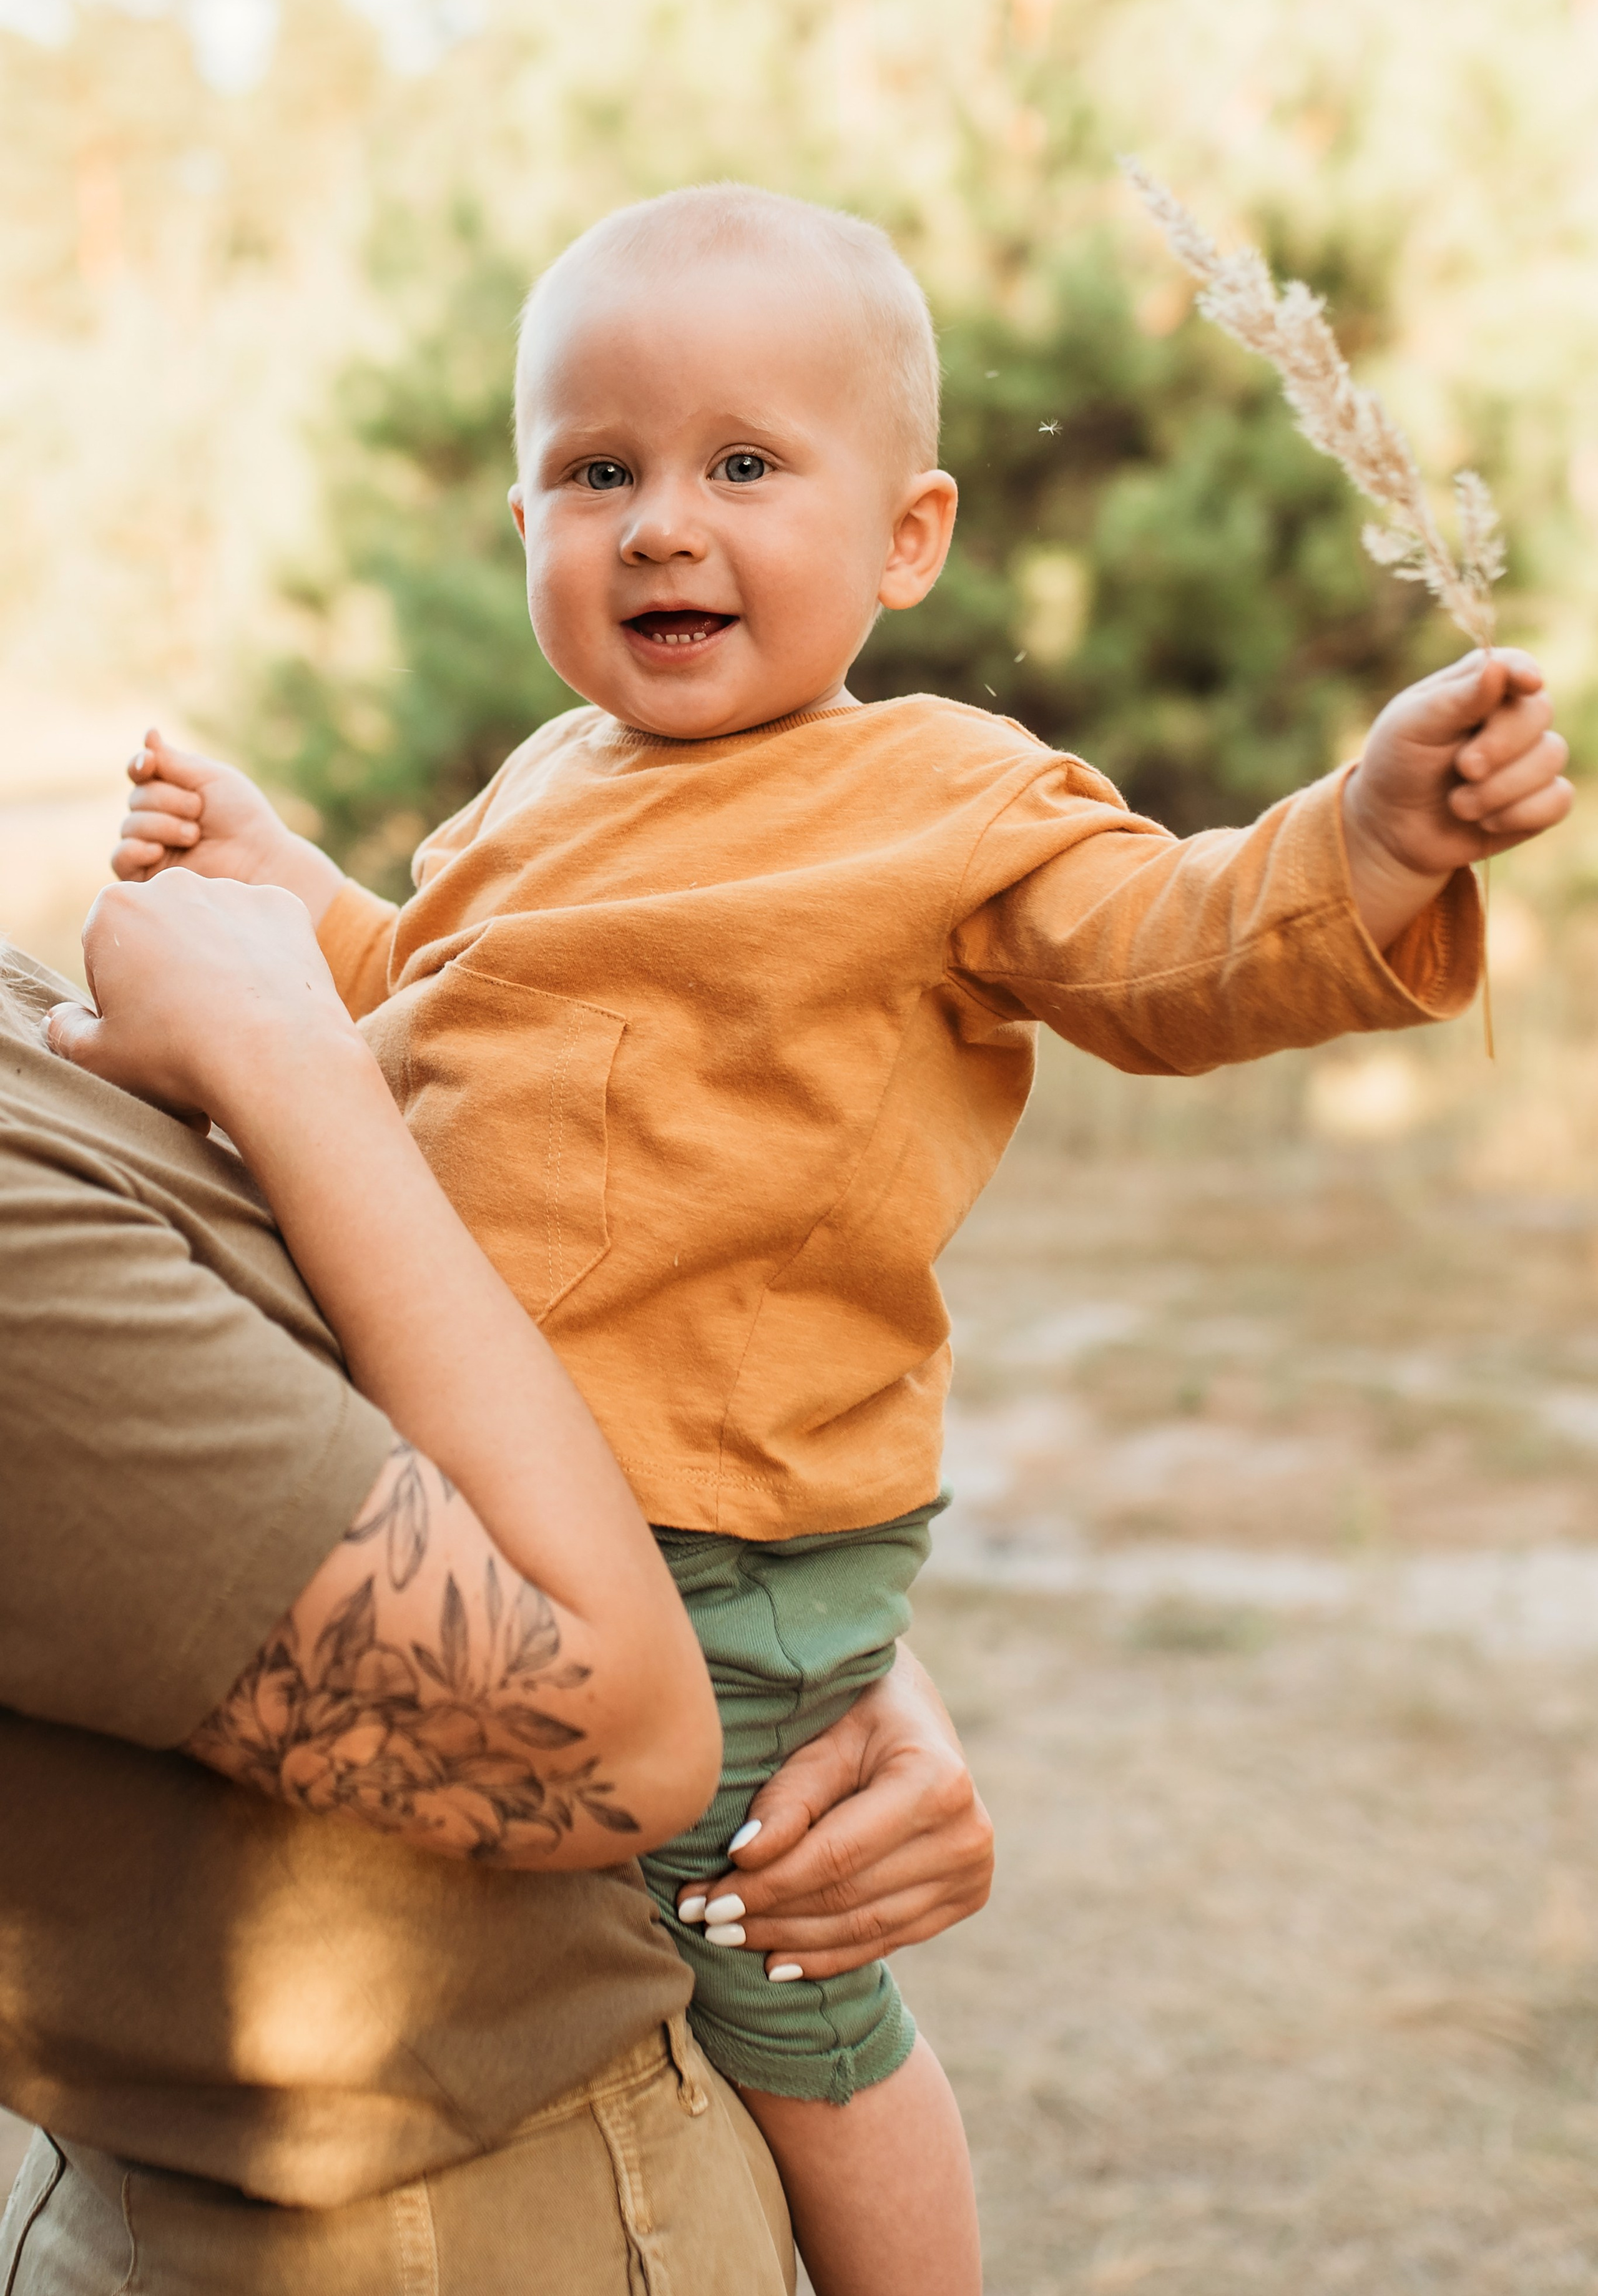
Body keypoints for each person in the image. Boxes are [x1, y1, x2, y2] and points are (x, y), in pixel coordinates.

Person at [109, 182, 1572, 2296]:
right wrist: (285, 882)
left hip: (713, 1523)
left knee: (782, 1959)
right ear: (521, 513)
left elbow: (1173, 948)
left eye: (742, 466)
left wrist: (1366, 838)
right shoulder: (541, 780)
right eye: (594, 471)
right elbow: (429, 1014)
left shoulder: (944, 799)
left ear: (909, 538)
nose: (660, 526)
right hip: (491, 1468)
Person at [1, 885, 993, 2294]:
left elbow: (361, 1404)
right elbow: (616, 1743)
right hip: (419, 2236)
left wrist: (813, 1649)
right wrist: (292, 1061)